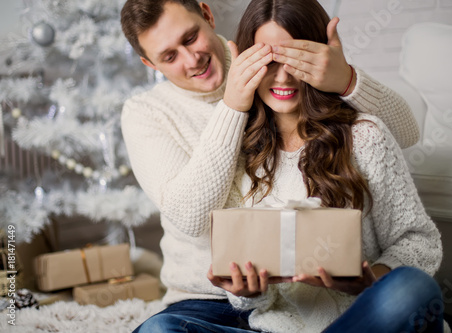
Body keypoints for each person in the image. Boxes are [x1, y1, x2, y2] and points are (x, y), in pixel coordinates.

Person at [119, 0, 421, 331]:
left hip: (297, 300)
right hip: (206, 299)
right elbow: (189, 217)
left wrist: (346, 79)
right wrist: (233, 104)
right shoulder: (145, 112)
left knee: (404, 294)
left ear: (207, 14)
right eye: (169, 56)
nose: (192, 60)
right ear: (150, 63)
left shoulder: (276, 62)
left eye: (191, 38)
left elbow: (402, 132)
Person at [205, 0, 445, 332]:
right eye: (270, 60)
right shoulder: (240, 153)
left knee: (412, 290)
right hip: (279, 328)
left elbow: (421, 242)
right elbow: (247, 300)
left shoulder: (364, 136)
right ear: (247, 63)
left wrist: (369, 281)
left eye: (296, 58)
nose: (284, 75)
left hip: (367, 319)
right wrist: (247, 292)